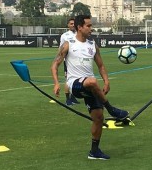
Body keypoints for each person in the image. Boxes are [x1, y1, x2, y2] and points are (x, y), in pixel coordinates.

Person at [51, 15, 129, 160]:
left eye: (91, 26)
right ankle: (112, 109)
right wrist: (56, 83)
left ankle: (94, 151)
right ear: (79, 27)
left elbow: (101, 65)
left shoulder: (93, 45)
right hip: (75, 84)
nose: (91, 28)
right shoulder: (69, 44)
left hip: (90, 87)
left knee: (98, 118)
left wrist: (107, 81)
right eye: (88, 26)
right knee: (93, 81)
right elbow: (54, 65)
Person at [59, 17, 77, 105]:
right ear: (68, 25)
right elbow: (61, 49)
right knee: (68, 80)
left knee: (77, 79)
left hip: (78, 61)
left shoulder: (79, 34)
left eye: (74, 23)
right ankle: (67, 99)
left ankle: (73, 97)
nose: (73, 25)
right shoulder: (64, 36)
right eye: (71, 24)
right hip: (68, 62)